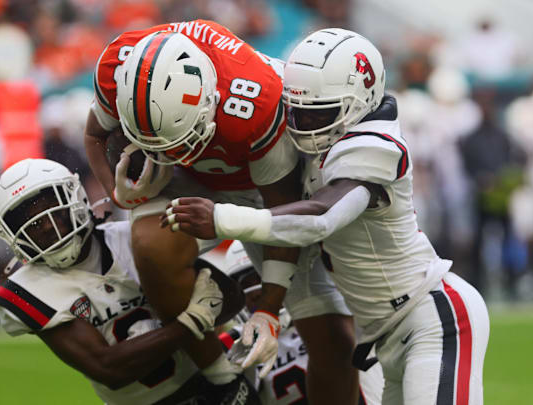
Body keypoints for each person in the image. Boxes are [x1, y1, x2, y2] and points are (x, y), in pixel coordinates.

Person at [164, 28, 490, 404]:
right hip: (385, 334)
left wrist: (222, 219)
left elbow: (322, 217)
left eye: (318, 112)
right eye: (296, 111)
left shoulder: (373, 145)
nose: (303, 124)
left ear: (358, 101)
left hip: (431, 317)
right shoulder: (328, 139)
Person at [84, 20, 360, 404]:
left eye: (180, 141)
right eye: (158, 145)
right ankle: (224, 382)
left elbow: (283, 214)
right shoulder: (119, 67)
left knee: (333, 337)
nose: (172, 154)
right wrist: (119, 194)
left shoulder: (256, 101)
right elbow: (95, 135)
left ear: (210, 99)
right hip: (185, 182)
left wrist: (268, 311)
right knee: (150, 244)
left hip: (266, 185)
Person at [0, 158, 258, 404]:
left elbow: (230, 298)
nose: (47, 225)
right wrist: (192, 321)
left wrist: (196, 314)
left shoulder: (136, 240)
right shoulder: (28, 290)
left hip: (211, 385)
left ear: (75, 197)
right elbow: (108, 369)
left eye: (52, 210)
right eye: (32, 223)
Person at [219, 241, 384, 405]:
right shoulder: (234, 344)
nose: (255, 292)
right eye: (245, 284)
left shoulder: (336, 309)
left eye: (261, 278)